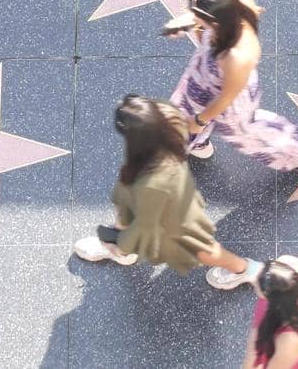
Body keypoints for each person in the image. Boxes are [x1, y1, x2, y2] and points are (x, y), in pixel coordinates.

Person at [73, 94, 261, 291]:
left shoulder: (149, 176)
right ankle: (122, 250)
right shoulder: (166, 117)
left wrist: (121, 239)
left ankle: (245, 269)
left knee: (198, 248)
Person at [164, 0, 298, 171]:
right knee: (184, 110)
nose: (194, 18)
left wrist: (199, 121)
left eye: (198, 16)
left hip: (232, 101)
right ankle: (197, 143)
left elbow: (225, 99)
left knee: (250, 134)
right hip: (205, 78)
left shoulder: (237, 56)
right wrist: (187, 21)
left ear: (215, 23)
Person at [240, 255, 298, 369]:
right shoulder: (289, 266)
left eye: (260, 284)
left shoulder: (291, 338)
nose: (255, 279)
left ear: (275, 300)